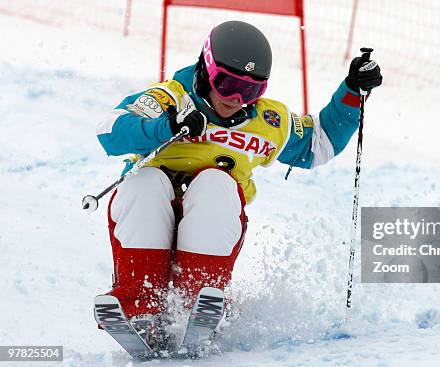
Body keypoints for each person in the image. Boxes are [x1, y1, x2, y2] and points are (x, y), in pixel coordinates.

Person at [95, 20, 382, 336]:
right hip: (149, 212)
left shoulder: (268, 120)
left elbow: (318, 143)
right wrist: (165, 128)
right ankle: (141, 307)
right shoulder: (170, 99)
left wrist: (353, 91)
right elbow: (109, 131)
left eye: (251, 90)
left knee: (216, 184)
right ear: (206, 70)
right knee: (144, 182)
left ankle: (194, 306)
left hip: (212, 219)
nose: (236, 99)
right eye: (226, 84)